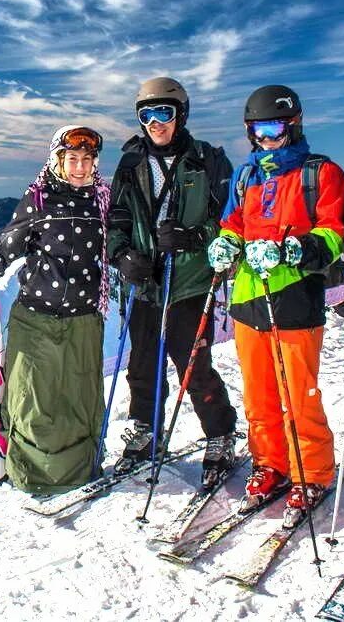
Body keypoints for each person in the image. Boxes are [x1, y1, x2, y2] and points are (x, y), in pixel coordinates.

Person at [206, 84, 344, 524]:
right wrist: (226, 244)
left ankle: (314, 472)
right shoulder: (247, 176)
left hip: (294, 301)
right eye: (258, 130)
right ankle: (272, 464)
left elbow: (333, 232)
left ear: (294, 125)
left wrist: (291, 250)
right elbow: (233, 222)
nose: (267, 138)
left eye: (275, 128)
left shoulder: (319, 173)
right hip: (249, 299)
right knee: (259, 395)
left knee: (298, 395)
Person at [106, 77, 239, 485]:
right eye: (146, 115)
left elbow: (231, 220)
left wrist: (194, 238)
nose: (155, 122)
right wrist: (123, 255)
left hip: (191, 283)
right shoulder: (130, 164)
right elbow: (117, 219)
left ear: (180, 114)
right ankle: (145, 429)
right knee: (142, 366)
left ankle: (220, 433)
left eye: (163, 112)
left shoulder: (208, 161)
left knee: (193, 366)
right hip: (145, 284)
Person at [0, 125, 112, 494]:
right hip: (37, 318)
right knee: (33, 401)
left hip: (84, 319)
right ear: (58, 160)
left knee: (78, 400)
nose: (80, 167)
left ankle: (81, 469)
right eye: (72, 159)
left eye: (87, 159)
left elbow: (122, 245)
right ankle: (30, 473)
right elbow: (3, 251)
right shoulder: (39, 200)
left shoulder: (103, 202)